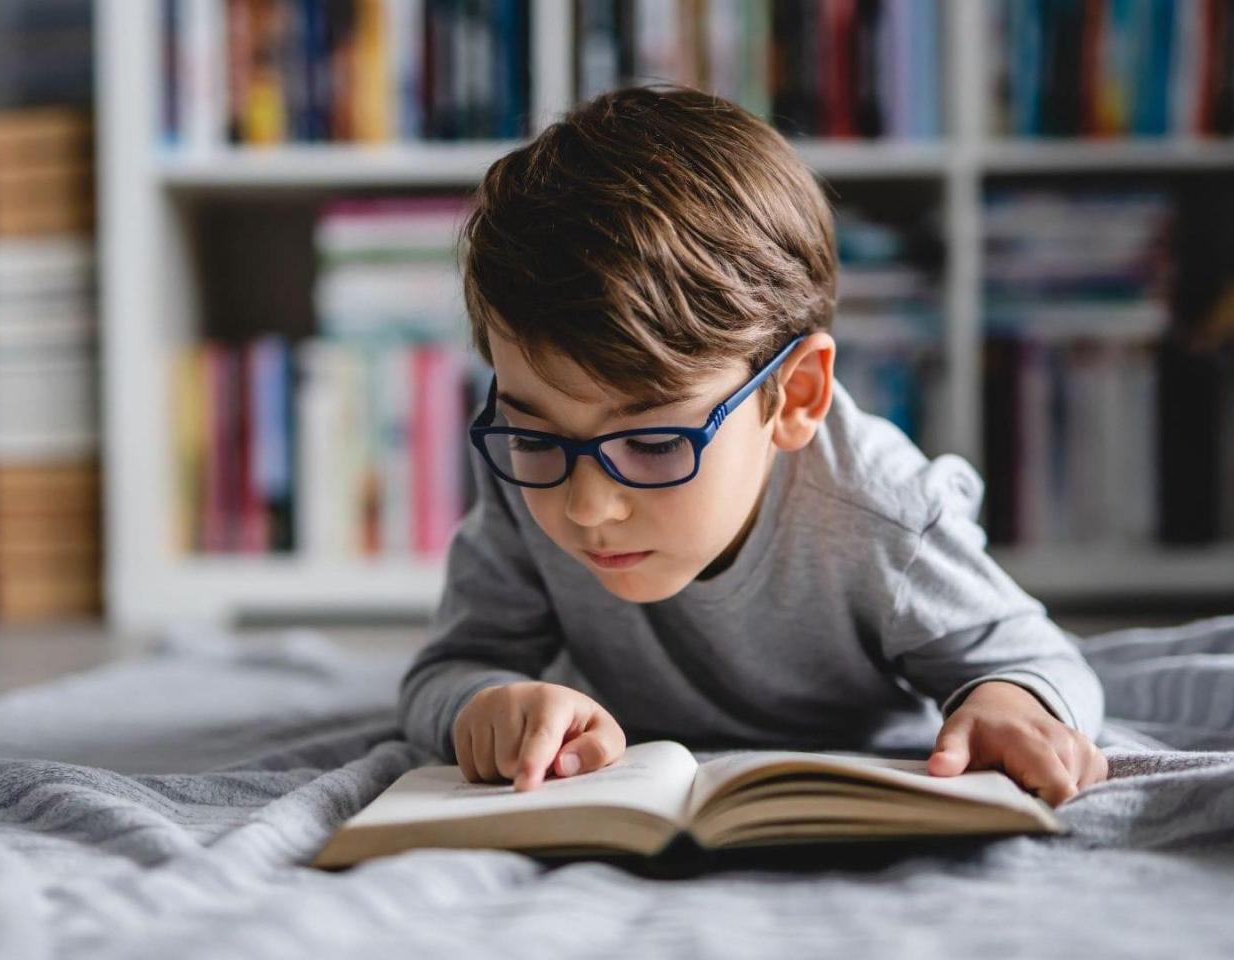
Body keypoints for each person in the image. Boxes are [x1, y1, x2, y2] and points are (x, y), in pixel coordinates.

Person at [399, 87, 1107, 806]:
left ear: (796, 396)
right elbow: (451, 668)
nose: (587, 505)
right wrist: (484, 705)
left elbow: (1041, 661)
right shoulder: (531, 479)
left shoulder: (884, 516)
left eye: (651, 441)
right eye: (534, 434)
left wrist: (1011, 705)